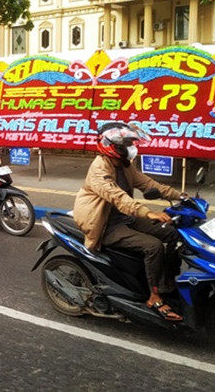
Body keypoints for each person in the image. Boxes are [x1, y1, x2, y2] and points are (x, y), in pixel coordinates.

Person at [73, 121, 185, 322]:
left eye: (132, 144)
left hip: (125, 217)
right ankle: (155, 296)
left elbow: (149, 184)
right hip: (104, 224)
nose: (132, 149)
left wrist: (182, 197)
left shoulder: (125, 167)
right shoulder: (99, 170)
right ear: (113, 147)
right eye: (127, 145)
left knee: (173, 232)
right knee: (154, 246)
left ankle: (165, 281)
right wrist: (148, 213)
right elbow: (118, 197)